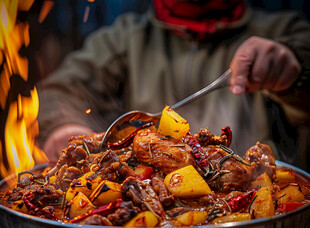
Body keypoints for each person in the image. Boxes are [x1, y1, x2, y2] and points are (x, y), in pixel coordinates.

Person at [37, 0, 310, 171]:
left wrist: (297, 73)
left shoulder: (283, 29)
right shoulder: (127, 37)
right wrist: (65, 127)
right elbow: (59, 91)